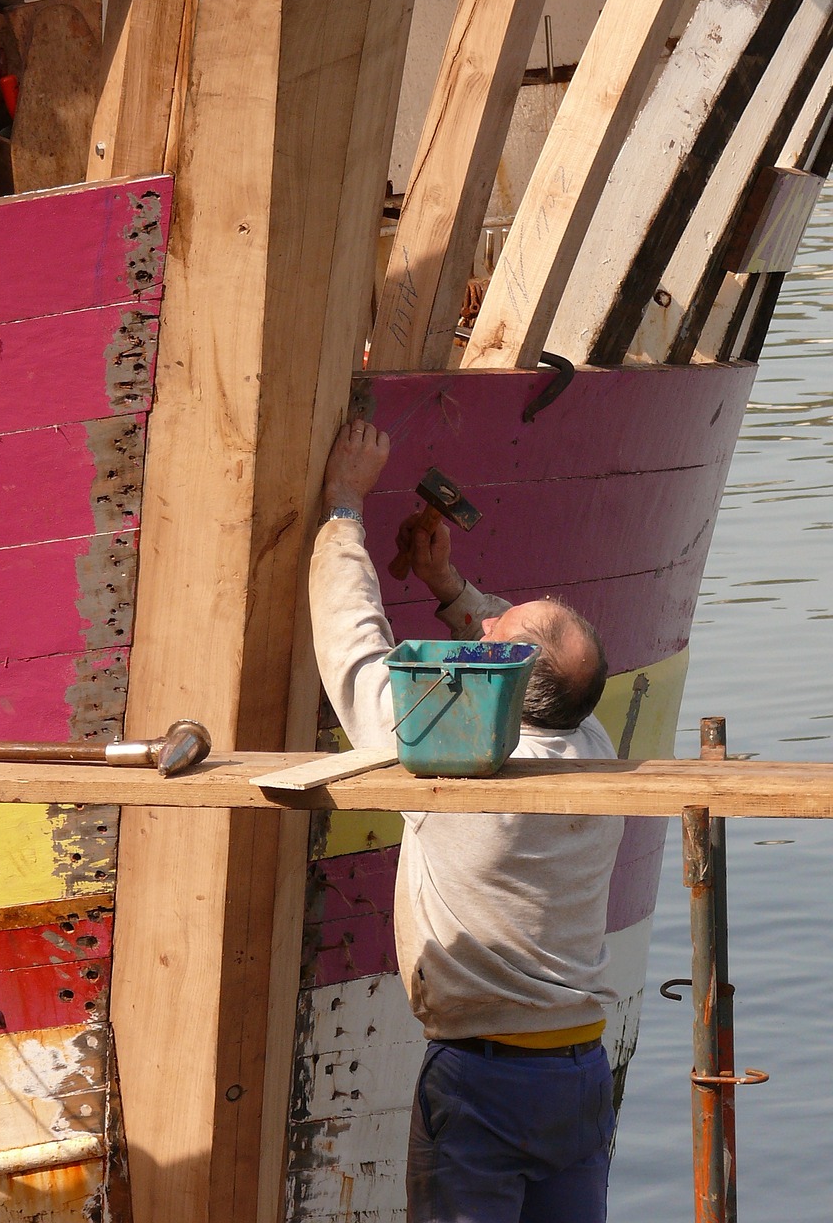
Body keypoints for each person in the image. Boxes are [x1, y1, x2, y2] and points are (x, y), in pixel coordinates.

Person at [309, 419, 624, 1223]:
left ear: (505, 687)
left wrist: (344, 506)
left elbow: (356, 656)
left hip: (486, 1082)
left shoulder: (453, 762)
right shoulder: (594, 743)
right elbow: (530, 674)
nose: (483, 629)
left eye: (493, 631)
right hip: (579, 1074)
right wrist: (450, 590)